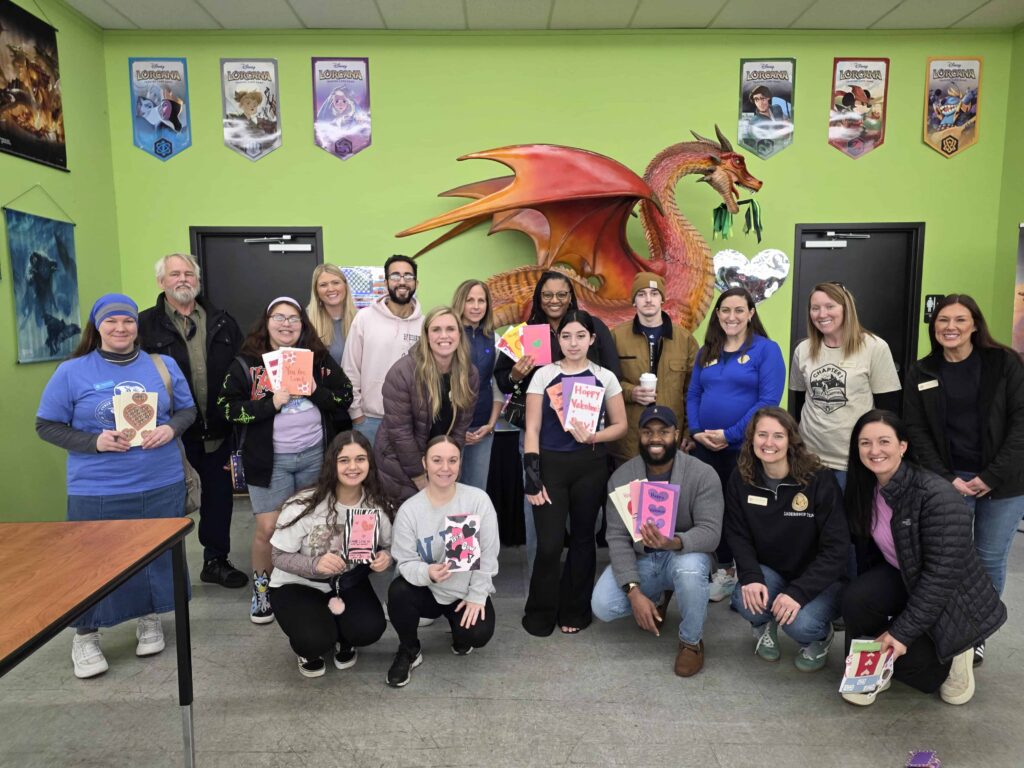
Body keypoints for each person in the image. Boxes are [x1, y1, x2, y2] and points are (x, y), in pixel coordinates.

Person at [36, 294, 196, 679]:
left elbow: (187, 410)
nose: (120, 328)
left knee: (155, 555)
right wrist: (94, 441)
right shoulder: (72, 372)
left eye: (128, 321)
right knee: (92, 562)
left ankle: (149, 618)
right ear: (98, 327)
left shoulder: (162, 365)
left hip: (160, 480)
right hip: (97, 487)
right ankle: (86, 635)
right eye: (111, 321)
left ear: (137, 326)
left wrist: (169, 429)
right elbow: (47, 425)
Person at [840, 410, 1006, 706]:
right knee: (856, 598)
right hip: (903, 573)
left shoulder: (936, 495)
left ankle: (959, 651)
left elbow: (940, 578)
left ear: (903, 446)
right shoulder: (865, 486)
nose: (874, 450)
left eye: (884, 441)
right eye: (865, 443)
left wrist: (901, 633)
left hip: (952, 594)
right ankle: (873, 667)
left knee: (917, 668)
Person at [902, 294, 1024, 665]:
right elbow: (915, 430)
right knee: (945, 558)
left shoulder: (1004, 363)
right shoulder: (922, 371)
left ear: (974, 325)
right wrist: (945, 478)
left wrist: (991, 475)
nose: (950, 327)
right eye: (943, 320)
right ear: (934, 327)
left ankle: (977, 632)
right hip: (946, 482)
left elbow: (1020, 424)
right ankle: (945, 626)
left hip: (1003, 482)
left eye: (959, 320)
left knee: (988, 558)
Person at [217, 297, 354, 624]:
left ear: (302, 325)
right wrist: (270, 403)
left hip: (314, 456)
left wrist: (315, 391)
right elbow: (226, 409)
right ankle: (262, 589)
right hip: (269, 461)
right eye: (278, 317)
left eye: (293, 318)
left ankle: (309, 582)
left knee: (314, 524)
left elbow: (345, 396)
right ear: (266, 323)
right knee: (269, 528)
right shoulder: (246, 364)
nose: (286, 324)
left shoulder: (318, 359)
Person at [494, 269, 622, 569]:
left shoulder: (592, 327)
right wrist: (516, 375)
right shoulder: (523, 332)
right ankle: (540, 580)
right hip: (538, 435)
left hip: (585, 436)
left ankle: (579, 583)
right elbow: (502, 381)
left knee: (587, 520)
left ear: (571, 297)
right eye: (548, 295)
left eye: (562, 294)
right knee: (539, 514)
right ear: (538, 297)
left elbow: (612, 373)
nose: (555, 300)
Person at [138, 252, 247, 589]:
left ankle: (215, 561)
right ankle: (161, 571)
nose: (182, 279)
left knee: (218, 498)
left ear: (197, 280)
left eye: (188, 273)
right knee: (169, 500)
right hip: (169, 434)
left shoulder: (223, 321)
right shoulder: (144, 325)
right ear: (161, 281)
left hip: (218, 430)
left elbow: (243, 369)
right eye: (175, 274)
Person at [591, 405, 722, 676]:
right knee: (603, 605)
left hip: (685, 555)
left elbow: (711, 532)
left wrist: (673, 542)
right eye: (648, 432)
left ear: (676, 434)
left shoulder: (702, 473)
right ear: (639, 435)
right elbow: (617, 537)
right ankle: (658, 596)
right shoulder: (621, 477)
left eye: (663, 431)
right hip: (644, 558)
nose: (655, 438)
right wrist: (634, 592)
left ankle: (691, 642)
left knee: (688, 569)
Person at [522, 310, 627, 636]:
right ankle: (539, 612)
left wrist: (595, 436)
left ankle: (575, 610)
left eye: (581, 336)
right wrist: (532, 476)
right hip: (550, 467)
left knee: (583, 540)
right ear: (558, 339)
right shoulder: (544, 375)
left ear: (592, 339)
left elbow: (621, 426)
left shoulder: (605, 377)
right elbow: (532, 428)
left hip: (590, 467)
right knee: (550, 544)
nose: (573, 343)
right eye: (566, 336)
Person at [724, 407, 849, 671]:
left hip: (819, 580)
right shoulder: (741, 477)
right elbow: (737, 534)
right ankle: (763, 625)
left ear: (791, 440)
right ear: (751, 438)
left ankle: (819, 638)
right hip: (773, 572)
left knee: (800, 624)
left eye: (778, 436)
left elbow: (836, 550)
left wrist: (798, 593)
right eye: (762, 435)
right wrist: (751, 576)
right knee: (745, 599)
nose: (769, 443)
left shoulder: (819, 479)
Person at [686, 287, 785, 602]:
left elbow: (768, 401)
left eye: (739, 310)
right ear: (717, 314)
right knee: (710, 509)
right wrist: (696, 431)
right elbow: (694, 394)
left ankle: (752, 574)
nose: (732, 316)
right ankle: (725, 570)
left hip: (744, 448)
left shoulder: (766, 350)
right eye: (725, 310)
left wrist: (729, 434)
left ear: (751, 313)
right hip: (705, 446)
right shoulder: (707, 351)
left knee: (742, 511)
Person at [269, 431, 394, 678]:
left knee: (369, 629)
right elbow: (278, 556)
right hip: (297, 584)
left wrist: (386, 558)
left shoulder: (377, 506)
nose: (353, 467)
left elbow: (390, 547)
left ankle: (344, 637)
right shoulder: (304, 505)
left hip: (347, 582)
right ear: (331, 464)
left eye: (360, 459)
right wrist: (314, 564)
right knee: (314, 640)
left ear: (370, 463)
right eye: (344, 460)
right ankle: (311, 648)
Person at [386, 436, 499, 687]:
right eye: (437, 460)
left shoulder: (477, 500)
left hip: (463, 592)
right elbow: (404, 562)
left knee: (477, 634)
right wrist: (427, 572)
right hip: (426, 590)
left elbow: (488, 553)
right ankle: (409, 648)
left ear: (460, 462)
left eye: (452, 460)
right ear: (424, 463)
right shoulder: (410, 510)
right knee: (398, 592)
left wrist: (477, 595)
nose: (445, 468)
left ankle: (460, 634)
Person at [789, 282, 901, 490]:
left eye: (830, 306)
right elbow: (797, 403)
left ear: (846, 308)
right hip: (810, 458)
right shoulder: (803, 350)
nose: (822, 314)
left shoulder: (874, 347)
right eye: (815, 308)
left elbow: (889, 411)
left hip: (853, 461)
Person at [375, 305, 479, 502]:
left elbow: (460, 429)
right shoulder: (402, 373)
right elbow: (400, 433)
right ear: (426, 336)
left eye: (450, 329)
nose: (444, 336)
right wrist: (421, 478)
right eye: (436, 329)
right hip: (399, 466)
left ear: (459, 334)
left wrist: (447, 467)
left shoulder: (469, 374)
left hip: (439, 466)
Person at [610, 272, 698, 464]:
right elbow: (605, 382)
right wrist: (631, 392)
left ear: (662, 299)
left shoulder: (685, 340)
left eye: (654, 293)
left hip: (671, 440)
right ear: (634, 301)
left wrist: (688, 432)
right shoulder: (616, 337)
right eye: (641, 294)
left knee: (667, 485)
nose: (648, 299)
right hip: (629, 441)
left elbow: (694, 391)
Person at [342, 254, 423, 446]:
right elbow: (350, 369)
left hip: (410, 422)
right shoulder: (365, 318)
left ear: (416, 283)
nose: (402, 282)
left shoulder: (425, 324)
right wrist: (357, 415)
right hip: (370, 421)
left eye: (408, 276)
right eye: (395, 276)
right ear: (386, 282)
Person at [452, 279, 503, 490]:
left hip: (482, 428)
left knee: (476, 491)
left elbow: (497, 386)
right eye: (469, 300)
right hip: (449, 429)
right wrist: (455, 429)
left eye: (481, 301)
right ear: (460, 302)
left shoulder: (494, 339)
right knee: (447, 489)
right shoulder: (448, 335)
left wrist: (490, 424)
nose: (476, 306)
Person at [307, 263, 357, 366]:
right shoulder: (306, 321)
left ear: (345, 286)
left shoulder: (361, 319)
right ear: (316, 290)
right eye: (323, 285)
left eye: (336, 283)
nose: (330, 289)